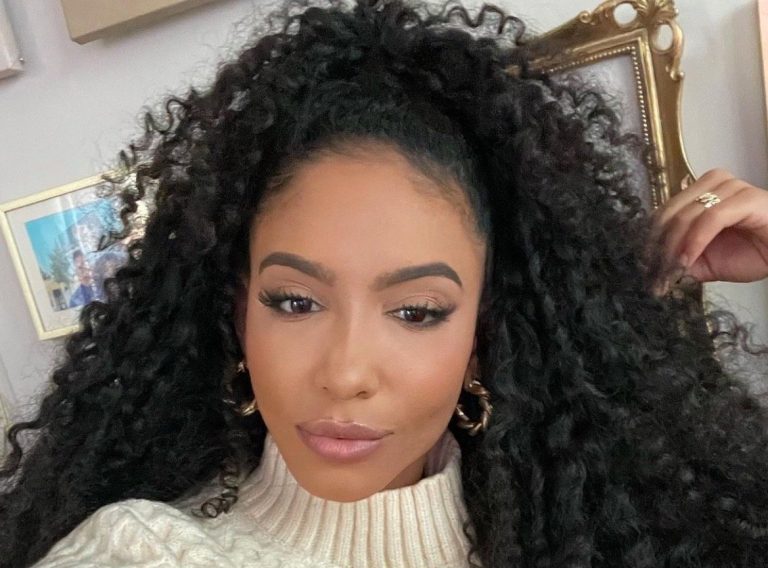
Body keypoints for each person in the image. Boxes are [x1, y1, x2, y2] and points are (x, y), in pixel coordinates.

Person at [2, 0, 768, 566]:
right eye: (295, 302)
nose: (345, 372)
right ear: (237, 313)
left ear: (485, 333)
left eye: (416, 311)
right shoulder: (141, 553)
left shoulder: (611, 532)